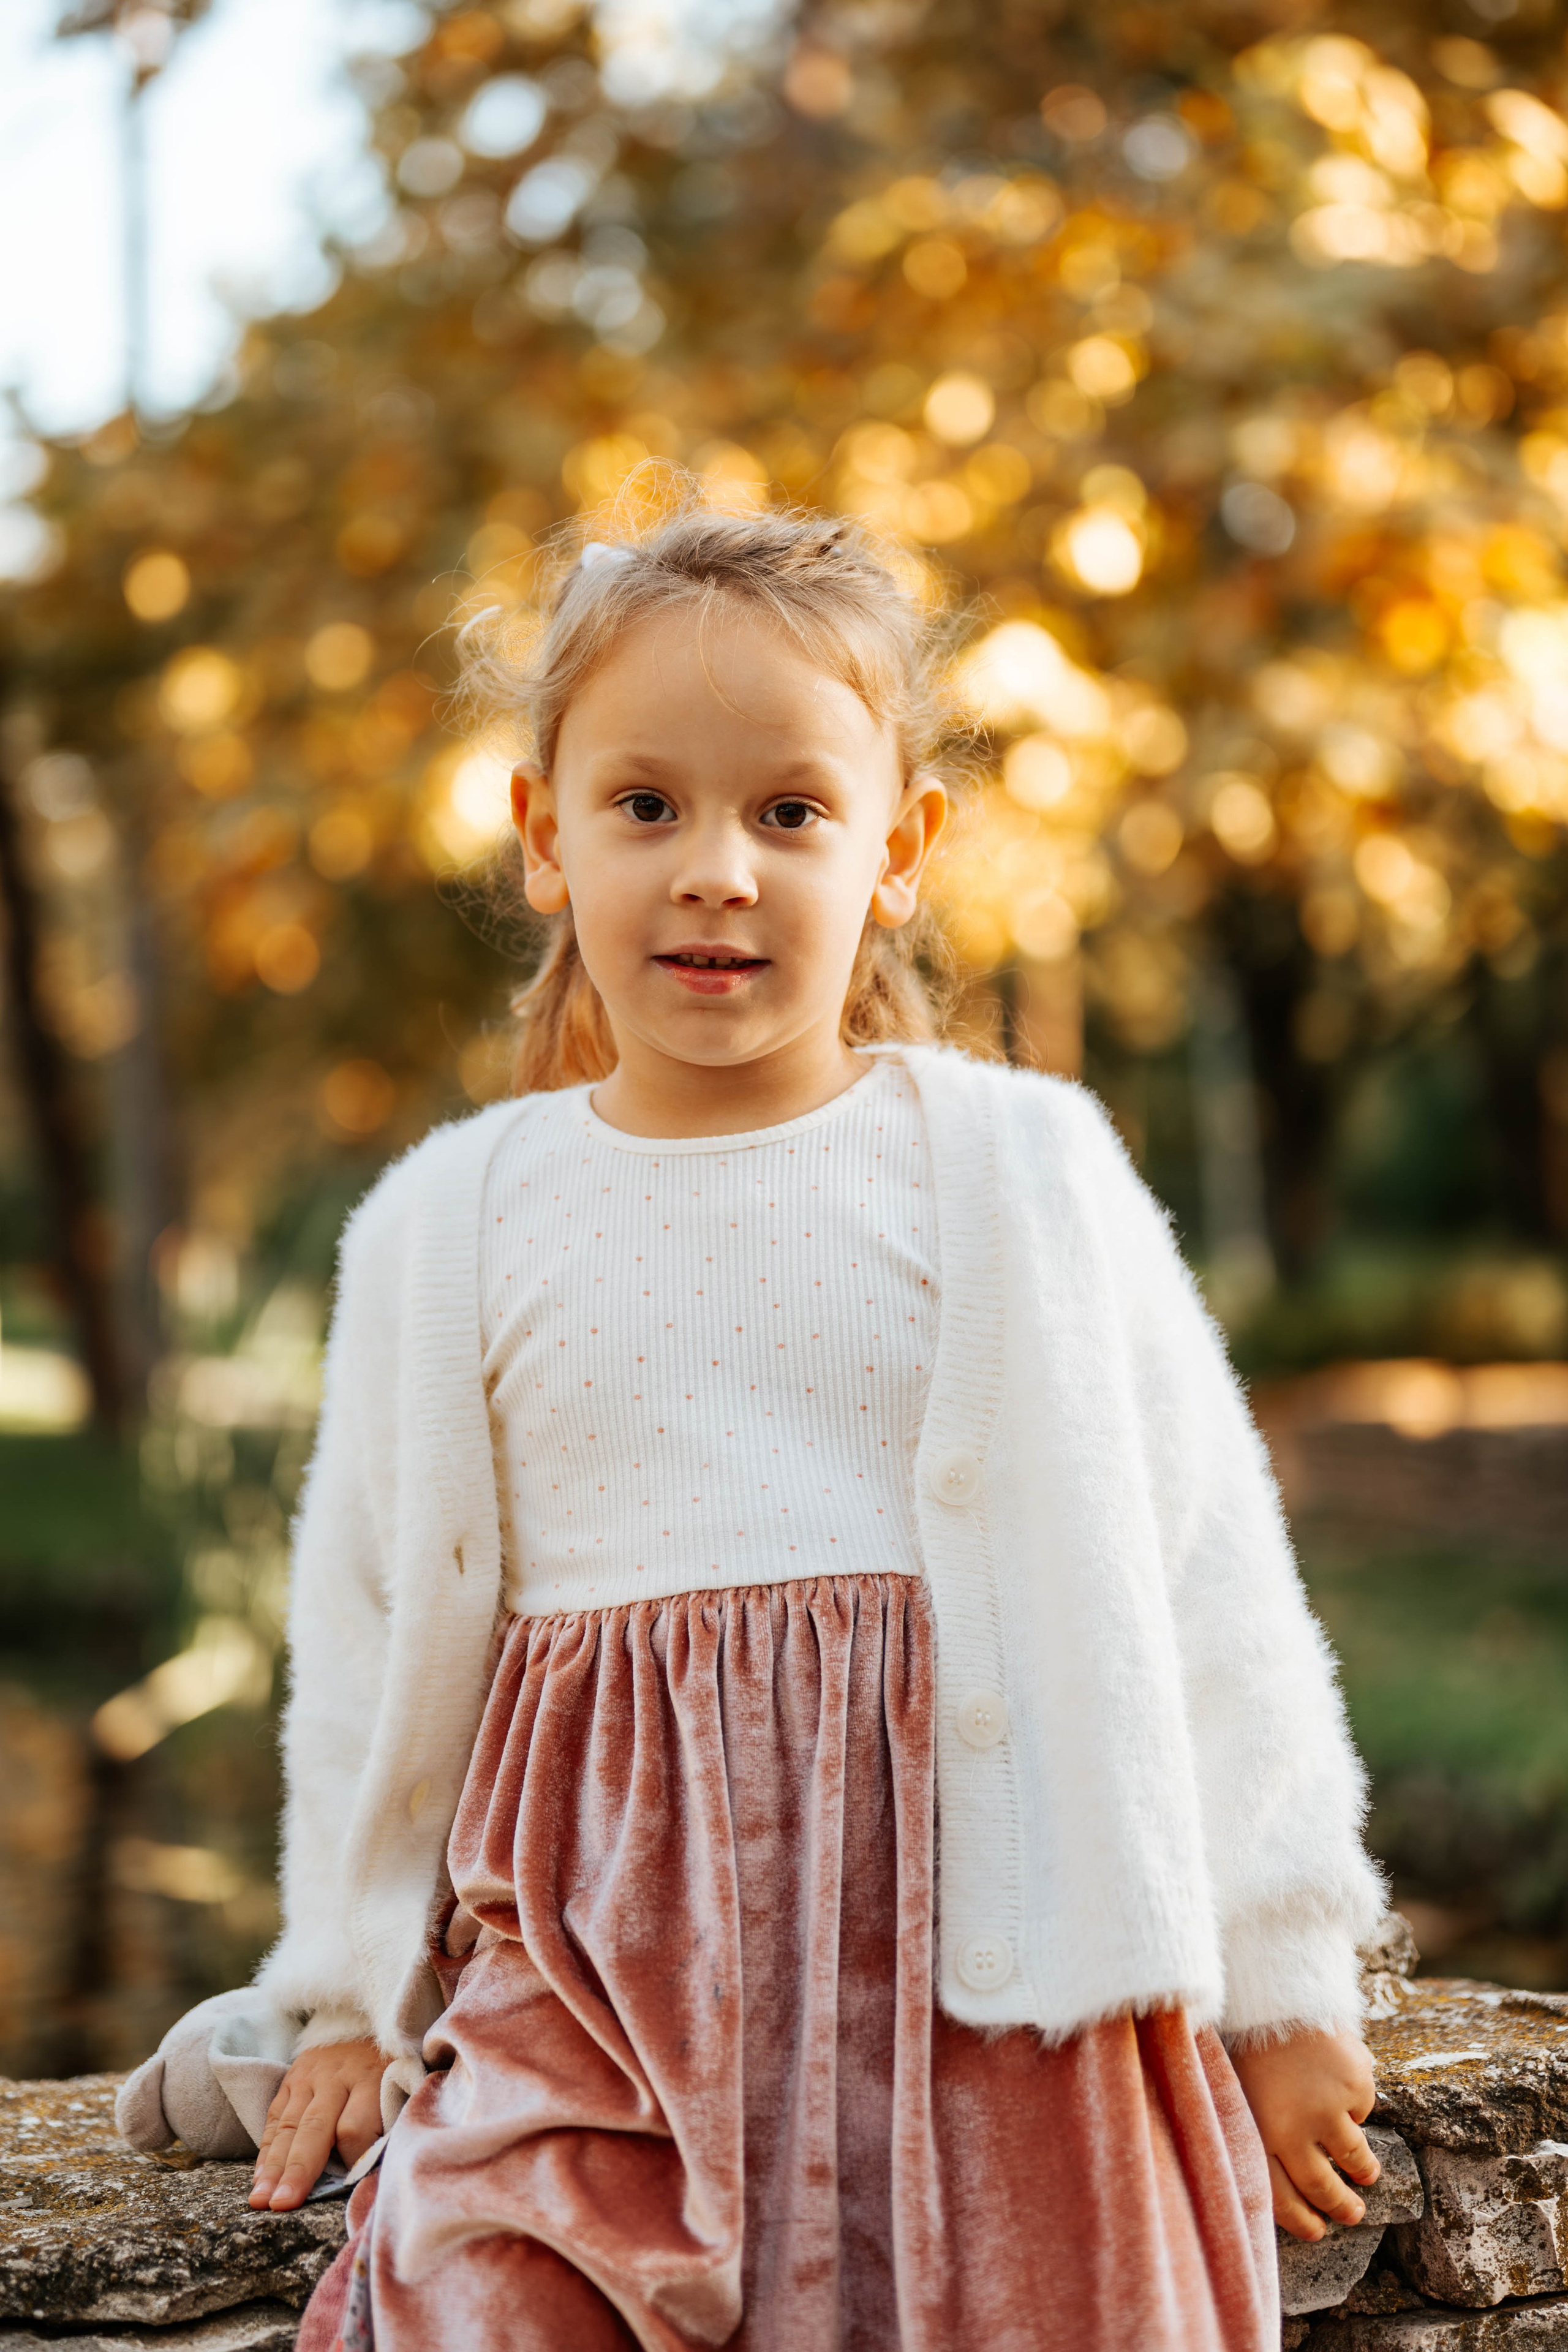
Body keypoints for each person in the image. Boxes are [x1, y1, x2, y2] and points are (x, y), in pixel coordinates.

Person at [118, 496, 1388, 2351]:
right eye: (647, 807)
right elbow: (373, 1641)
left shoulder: (1027, 1171)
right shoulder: (446, 1223)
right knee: (479, 2286)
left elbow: (1204, 1576)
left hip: (991, 1979)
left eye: (792, 811)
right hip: (596, 1980)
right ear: (546, 839)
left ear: (899, 848)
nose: (718, 868)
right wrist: (340, 1990)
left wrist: (1284, 1990)